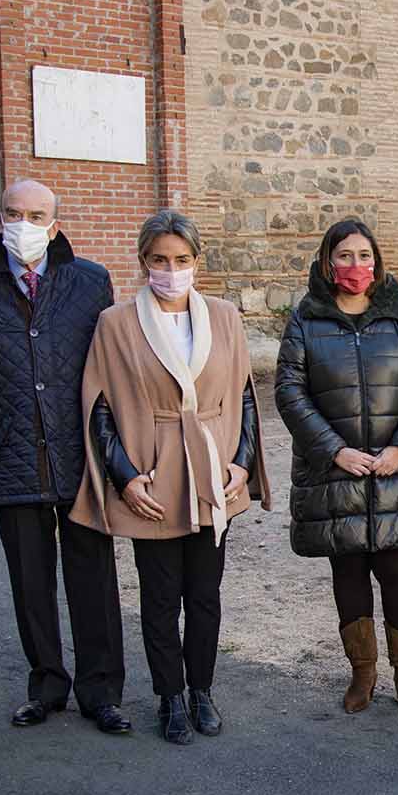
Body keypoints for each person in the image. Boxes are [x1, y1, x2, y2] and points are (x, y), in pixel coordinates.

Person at [71, 210, 270, 745]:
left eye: (182, 259)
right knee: (159, 599)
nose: (171, 269)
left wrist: (241, 463)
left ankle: (202, 690)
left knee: (205, 593)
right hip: (153, 475)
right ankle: (170, 697)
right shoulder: (116, 323)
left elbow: (244, 395)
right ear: (143, 262)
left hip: (211, 471)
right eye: (160, 259)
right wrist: (124, 477)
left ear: (197, 262)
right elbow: (99, 405)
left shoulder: (225, 316)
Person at [0, 179, 128, 735]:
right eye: (13, 213)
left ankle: (102, 691)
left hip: (82, 458)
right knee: (30, 580)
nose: (23, 224)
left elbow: (111, 375)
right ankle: (47, 685)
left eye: (36, 215)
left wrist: (116, 454)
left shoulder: (91, 281)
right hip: (11, 455)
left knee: (93, 579)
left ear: (55, 224)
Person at [275, 219, 398, 716]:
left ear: (377, 261)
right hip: (335, 474)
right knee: (348, 574)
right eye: (344, 255)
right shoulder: (306, 319)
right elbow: (289, 391)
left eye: (364, 255)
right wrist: (333, 450)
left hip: (395, 474)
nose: (355, 265)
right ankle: (362, 673)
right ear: (327, 262)